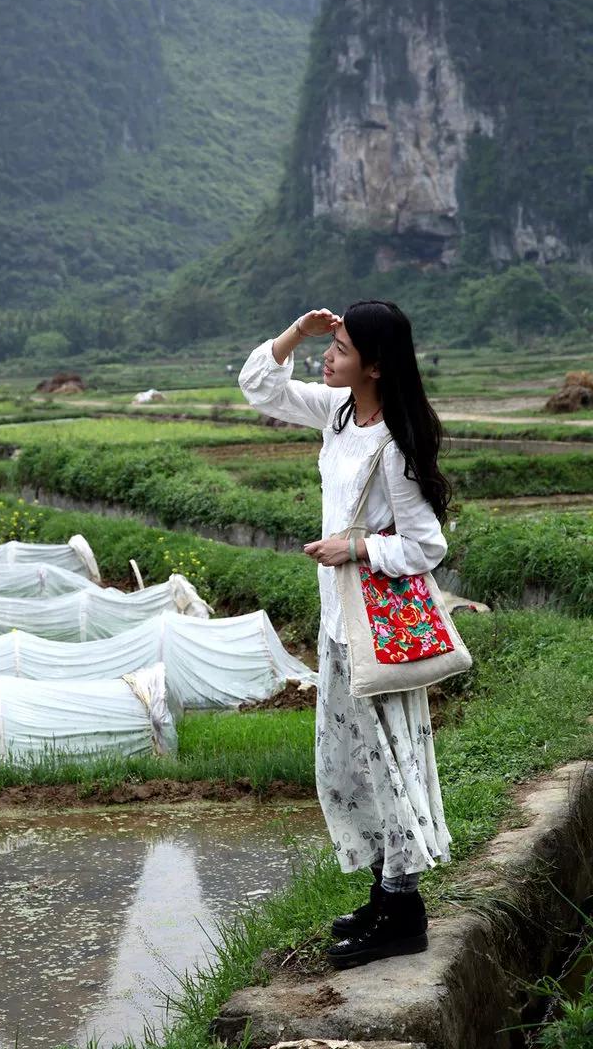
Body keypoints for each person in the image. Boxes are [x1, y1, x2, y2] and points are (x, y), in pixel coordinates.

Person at [238, 301, 453, 969]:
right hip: (340, 623)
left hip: (377, 632)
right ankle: (383, 897)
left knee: (390, 766)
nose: (328, 358)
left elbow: (426, 546)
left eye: (340, 349)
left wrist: (354, 548)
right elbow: (260, 386)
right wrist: (298, 332)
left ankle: (403, 913)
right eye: (328, 346)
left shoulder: (392, 442)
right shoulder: (337, 414)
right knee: (353, 766)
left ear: (376, 367)